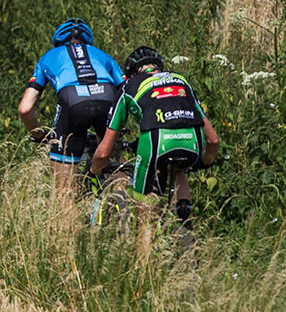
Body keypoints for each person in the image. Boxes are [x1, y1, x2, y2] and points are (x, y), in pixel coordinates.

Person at [88, 45, 221, 261]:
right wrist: (206, 162)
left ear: (131, 73)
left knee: (145, 219)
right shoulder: (181, 81)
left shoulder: (127, 86)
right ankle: (183, 214)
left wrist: (94, 172)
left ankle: (145, 275)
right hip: (193, 144)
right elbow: (213, 139)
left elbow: (104, 151)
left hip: (156, 141)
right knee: (178, 169)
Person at [20, 18, 126, 209]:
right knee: (117, 166)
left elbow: (25, 108)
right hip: (108, 98)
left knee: (64, 190)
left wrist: (38, 135)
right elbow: (128, 90)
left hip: (72, 101)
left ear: (58, 42)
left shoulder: (48, 56)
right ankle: (125, 211)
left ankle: (68, 235)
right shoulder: (103, 55)